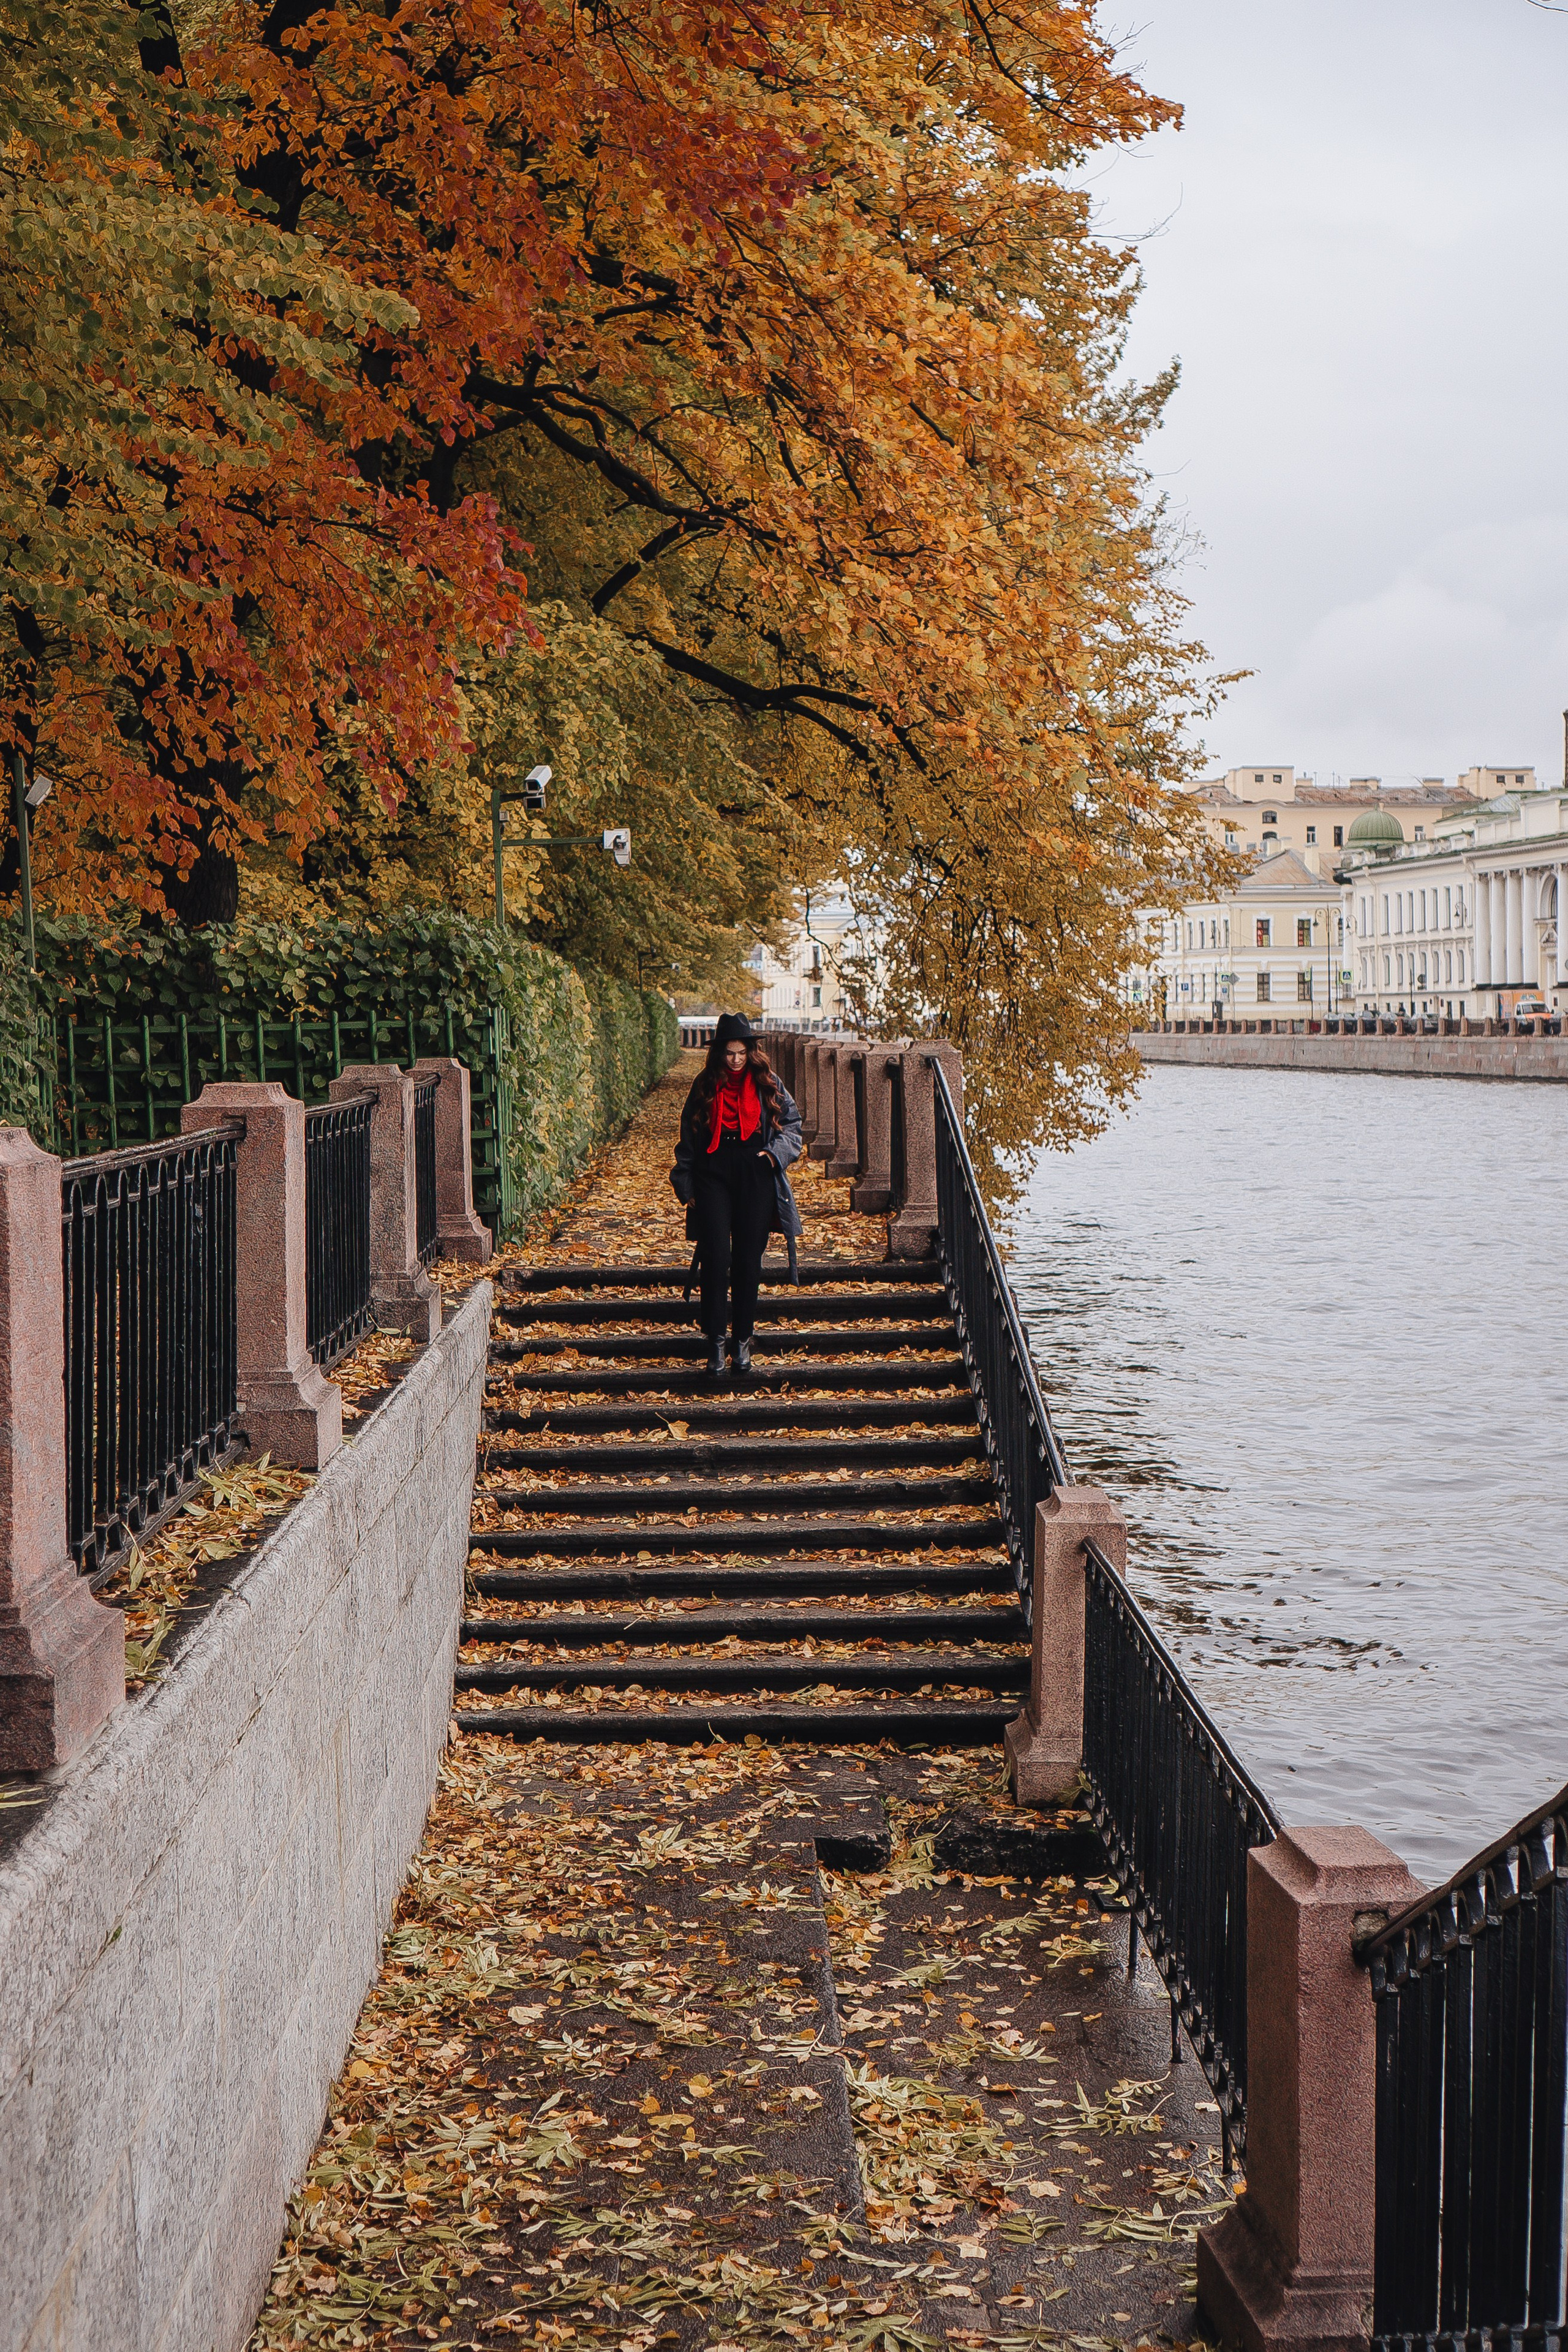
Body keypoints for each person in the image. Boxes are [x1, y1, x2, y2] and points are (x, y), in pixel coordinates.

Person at [670, 1014, 803, 1379]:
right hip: (712, 1172)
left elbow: (793, 1125)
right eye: (729, 1053)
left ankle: (742, 1340)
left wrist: (774, 1154)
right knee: (716, 1255)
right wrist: (687, 1186)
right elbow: (687, 1137)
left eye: (741, 1053)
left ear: (751, 1052)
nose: (735, 1060)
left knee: (748, 1259)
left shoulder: (767, 1083)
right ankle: (715, 1341)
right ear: (718, 1054)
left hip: (754, 1170)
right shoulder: (704, 1085)